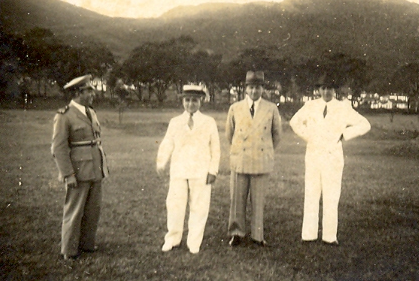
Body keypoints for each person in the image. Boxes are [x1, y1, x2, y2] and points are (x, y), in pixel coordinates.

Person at [289, 73, 371, 245]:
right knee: (311, 193)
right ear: (319, 90)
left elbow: (365, 124)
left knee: (331, 196)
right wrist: (308, 136)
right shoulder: (310, 105)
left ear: (335, 90)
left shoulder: (343, 107)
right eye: (323, 88)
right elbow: (294, 122)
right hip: (313, 155)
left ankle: (329, 236)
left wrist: (345, 134)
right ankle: (308, 234)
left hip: (333, 157)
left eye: (330, 88)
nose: (326, 91)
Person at [157, 84, 221, 254]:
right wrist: (161, 161)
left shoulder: (209, 122)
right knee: (175, 205)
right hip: (179, 170)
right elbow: (167, 143)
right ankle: (172, 239)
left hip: (200, 171)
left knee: (199, 207)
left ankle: (194, 242)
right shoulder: (175, 122)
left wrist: (213, 171)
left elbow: (215, 148)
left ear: (201, 101)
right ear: (182, 101)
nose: (190, 104)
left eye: (194, 100)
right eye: (187, 100)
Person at [51, 74, 109, 260]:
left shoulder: (90, 112)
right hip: (78, 170)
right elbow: (58, 148)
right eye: (89, 90)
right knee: (74, 210)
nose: (93, 93)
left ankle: (87, 244)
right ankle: (69, 249)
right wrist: (68, 174)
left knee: (93, 209)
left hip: (96, 168)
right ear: (78, 92)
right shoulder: (64, 116)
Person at [226, 71, 282, 247]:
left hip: (261, 159)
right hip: (240, 159)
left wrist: (263, 148)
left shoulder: (271, 108)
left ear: (262, 89)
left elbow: (277, 135)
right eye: (251, 87)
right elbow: (230, 134)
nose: (254, 90)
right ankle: (236, 233)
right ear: (246, 89)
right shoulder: (235, 108)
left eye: (258, 87)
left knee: (258, 201)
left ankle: (258, 236)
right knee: (237, 199)